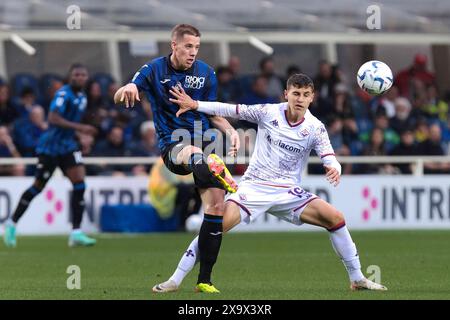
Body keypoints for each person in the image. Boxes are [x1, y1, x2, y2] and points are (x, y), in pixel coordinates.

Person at [152, 73, 388, 293]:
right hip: (254, 188)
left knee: (335, 218)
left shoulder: (315, 128)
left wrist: (333, 168)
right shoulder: (268, 112)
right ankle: (175, 279)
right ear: (286, 94)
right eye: (296, 93)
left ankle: (357, 278)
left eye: (306, 95)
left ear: (312, 97)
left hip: (288, 192)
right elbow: (232, 109)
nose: (300, 99)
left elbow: (330, 157)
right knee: (215, 227)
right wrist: (195, 105)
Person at [114, 24, 240, 293]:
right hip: (175, 144)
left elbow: (212, 111)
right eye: (188, 46)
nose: (193, 52)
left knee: (216, 209)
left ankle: (204, 280)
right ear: (174, 45)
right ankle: (217, 171)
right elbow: (125, 92)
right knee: (194, 154)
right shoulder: (153, 70)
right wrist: (125, 88)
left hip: (206, 140)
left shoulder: (206, 73)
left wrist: (231, 131)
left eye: (196, 47)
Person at [3, 63, 98, 248]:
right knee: (38, 186)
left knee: (80, 184)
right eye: (76, 74)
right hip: (51, 148)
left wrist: (80, 135)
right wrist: (81, 128)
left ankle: (76, 233)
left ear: (87, 78)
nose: (80, 77)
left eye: (83, 74)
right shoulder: (63, 94)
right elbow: (53, 119)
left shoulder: (82, 97)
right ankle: (11, 223)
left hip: (68, 146)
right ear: (70, 77)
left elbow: (69, 122)